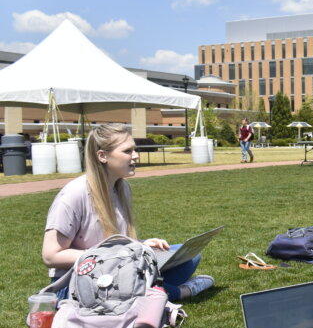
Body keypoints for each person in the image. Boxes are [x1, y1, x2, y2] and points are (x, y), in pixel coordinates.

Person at [42, 123, 214, 302]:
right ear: (102, 156)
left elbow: (117, 243)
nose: (136, 156)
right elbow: (51, 255)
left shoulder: (121, 188)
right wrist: (111, 257)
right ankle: (179, 292)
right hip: (81, 282)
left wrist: (142, 245)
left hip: (119, 269)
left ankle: (153, 289)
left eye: (135, 150)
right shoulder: (74, 195)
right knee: (136, 284)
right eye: (127, 151)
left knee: (188, 256)